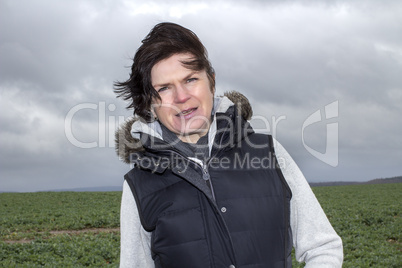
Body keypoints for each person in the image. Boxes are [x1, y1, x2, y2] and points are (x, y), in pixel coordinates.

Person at [114, 22, 343, 268]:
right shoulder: (139, 184)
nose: (181, 97)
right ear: (149, 103)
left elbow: (322, 247)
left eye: (190, 79)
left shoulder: (267, 151)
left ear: (211, 82)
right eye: (164, 88)